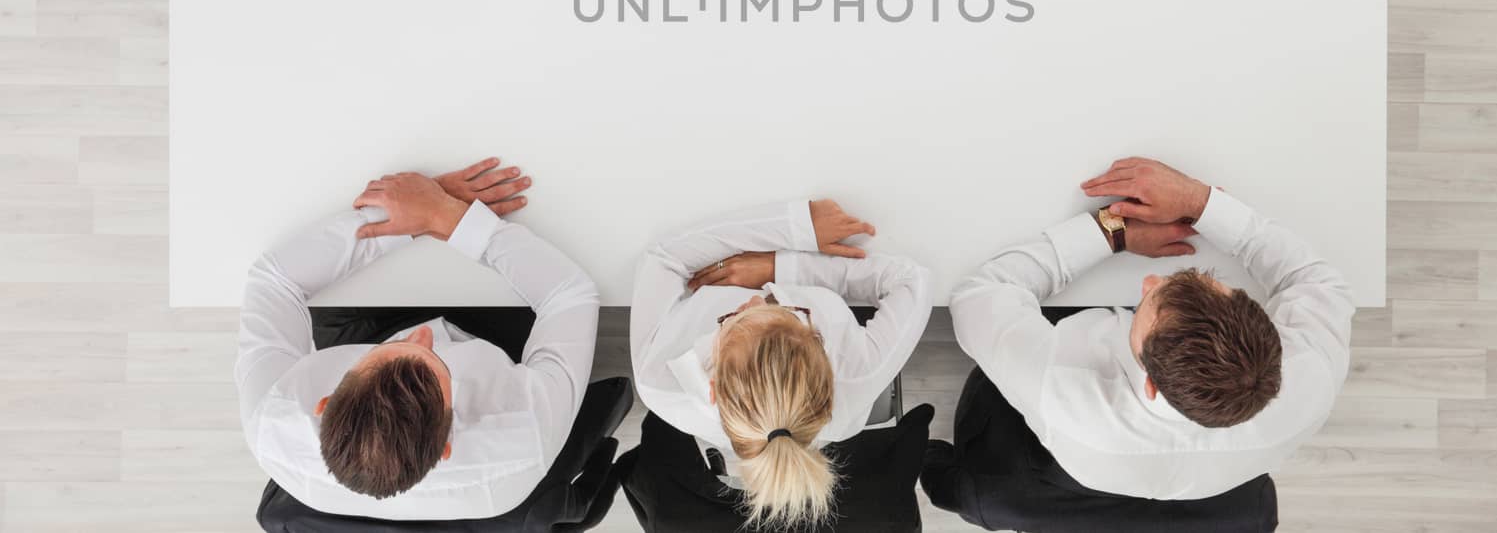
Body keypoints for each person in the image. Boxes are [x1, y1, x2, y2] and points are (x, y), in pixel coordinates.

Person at [943, 157, 1353, 503]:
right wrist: (1201, 202)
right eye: (1204, 277)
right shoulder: (1309, 376)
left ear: (1152, 385)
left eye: (1148, 303)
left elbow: (980, 295)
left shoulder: (1063, 389)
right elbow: (1314, 282)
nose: (1150, 282)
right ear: (1265, 326)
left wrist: (1109, 231)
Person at [235, 157, 601, 520]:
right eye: (437, 367)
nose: (423, 335)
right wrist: (450, 216)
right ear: (447, 446)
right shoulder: (523, 431)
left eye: (384, 357)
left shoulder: (275, 419)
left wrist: (408, 215)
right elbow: (569, 295)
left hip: (365, 328)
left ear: (325, 403)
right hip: (494, 339)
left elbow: (274, 281)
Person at [630, 199, 933, 529]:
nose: (756, 297)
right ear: (820, 348)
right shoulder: (855, 373)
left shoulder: (656, 379)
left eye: (731, 317)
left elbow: (664, 258)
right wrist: (781, 269)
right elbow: (911, 281)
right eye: (792, 312)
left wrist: (797, 228)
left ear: (714, 386)